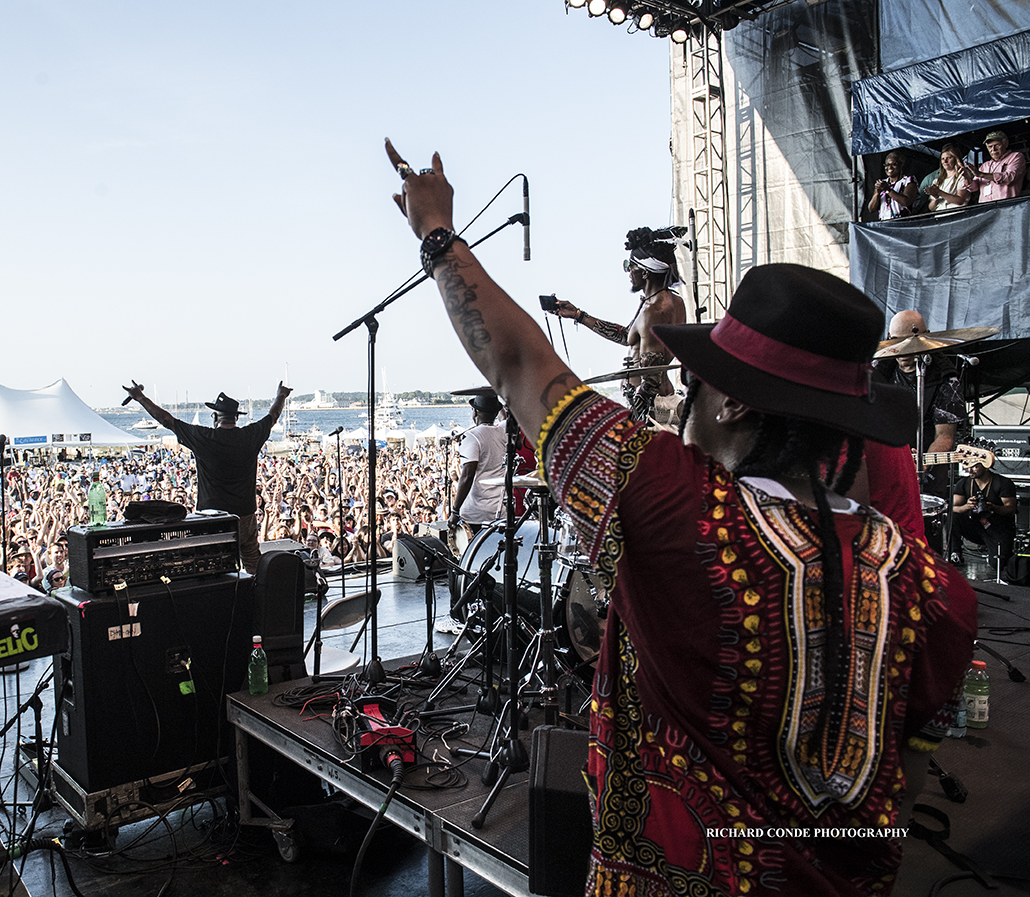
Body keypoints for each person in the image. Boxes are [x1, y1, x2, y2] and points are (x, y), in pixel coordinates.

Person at [385, 140, 975, 896]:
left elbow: (519, 365)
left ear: (728, 402)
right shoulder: (941, 597)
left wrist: (436, 232)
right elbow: (901, 789)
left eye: (695, 384)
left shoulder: (674, 504)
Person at [122, 380, 291, 574]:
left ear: (214, 417)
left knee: (213, 566)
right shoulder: (250, 435)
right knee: (253, 561)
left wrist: (140, 397)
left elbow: (167, 420)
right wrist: (281, 395)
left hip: (212, 517)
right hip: (245, 515)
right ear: (236, 417)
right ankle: (259, 600)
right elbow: (273, 415)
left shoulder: (203, 437)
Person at [546, 227, 686, 425]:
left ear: (645, 272)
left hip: (652, 410)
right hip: (653, 404)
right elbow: (628, 336)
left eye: (631, 265)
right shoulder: (671, 302)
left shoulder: (653, 311)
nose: (628, 270)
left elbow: (651, 377)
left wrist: (632, 419)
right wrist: (579, 315)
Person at [872, 310, 968, 537]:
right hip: (885, 462)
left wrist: (922, 463)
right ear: (888, 336)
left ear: (926, 336)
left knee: (919, 535)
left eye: (909, 341)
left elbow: (945, 436)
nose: (903, 349)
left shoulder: (946, 379)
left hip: (925, 467)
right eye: (896, 341)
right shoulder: (877, 372)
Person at [448, 393, 507, 537]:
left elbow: (468, 474)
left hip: (477, 513)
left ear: (475, 412)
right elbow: (504, 418)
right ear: (495, 412)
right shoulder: (504, 431)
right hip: (500, 510)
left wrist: (455, 511)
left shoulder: (471, 436)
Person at [952, 458, 1017, 573]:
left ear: (986, 466)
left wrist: (993, 507)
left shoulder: (1002, 483)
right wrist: (966, 506)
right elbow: (953, 507)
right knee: (953, 516)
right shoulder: (963, 484)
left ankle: (995, 554)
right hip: (973, 526)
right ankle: (955, 553)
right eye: (968, 466)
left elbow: (1011, 509)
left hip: (996, 528)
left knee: (998, 565)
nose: (970, 470)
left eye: (975, 467)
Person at [961, 130, 1026, 202]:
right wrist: (967, 178)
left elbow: (1009, 177)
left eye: (997, 145)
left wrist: (981, 174)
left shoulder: (1016, 157)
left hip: (1006, 206)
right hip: (986, 208)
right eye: (990, 146)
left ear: (1006, 143)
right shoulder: (985, 165)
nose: (993, 149)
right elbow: (974, 188)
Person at [922, 144, 972, 212]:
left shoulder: (962, 177)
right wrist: (935, 198)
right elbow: (931, 208)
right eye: (943, 158)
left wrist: (939, 192)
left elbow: (960, 200)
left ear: (956, 159)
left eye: (949, 158)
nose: (945, 161)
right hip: (940, 217)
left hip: (957, 215)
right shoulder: (937, 181)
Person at [868, 151, 917, 219]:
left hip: (903, 223)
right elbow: (871, 209)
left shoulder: (908, 180)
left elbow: (906, 202)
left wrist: (888, 190)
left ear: (901, 165)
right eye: (887, 165)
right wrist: (877, 193)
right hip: (884, 224)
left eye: (894, 164)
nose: (889, 167)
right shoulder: (882, 183)